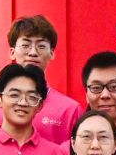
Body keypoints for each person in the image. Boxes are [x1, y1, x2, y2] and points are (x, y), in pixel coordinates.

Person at [9, 14, 81, 146]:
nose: (33, 52)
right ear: (12, 52)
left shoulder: (69, 109)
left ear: (52, 53)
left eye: (41, 46)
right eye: (25, 45)